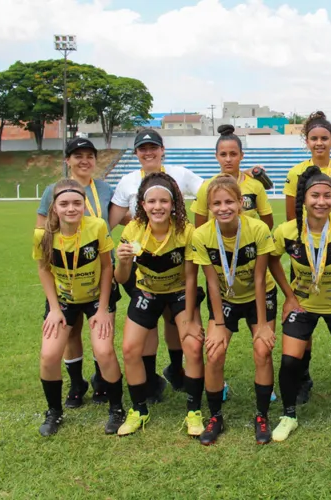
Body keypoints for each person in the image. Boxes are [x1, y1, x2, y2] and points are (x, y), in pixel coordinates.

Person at [269, 166, 331, 443]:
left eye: (328, 196)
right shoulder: (288, 230)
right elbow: (273, 259)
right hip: (303, 304)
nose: (321, 201)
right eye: (315, 195)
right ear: (304, 198)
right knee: (290, 362)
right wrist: (289, 296)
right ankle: (289, 415)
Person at [109, 129, 205, 401]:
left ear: (163, 149)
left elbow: (209, 192)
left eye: (153, 147)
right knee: (146, 323)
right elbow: (111, 220)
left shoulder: (181, 174)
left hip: (175, 263)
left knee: (175, 322)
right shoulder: (127, 181)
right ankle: (149, 382)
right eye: (142, 148)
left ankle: (177, 371)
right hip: (142, 262)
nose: (148, 152)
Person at [32, 179, 125, 436]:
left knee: (104, 351)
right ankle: (54, 412)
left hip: (97, 296)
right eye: (64, 203)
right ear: (54, 208)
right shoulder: (43, 235)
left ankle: (117, 409)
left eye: (77, 203)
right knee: (49, 355)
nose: (71, 208)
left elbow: (108, 267)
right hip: (63, 299)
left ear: (84, 204)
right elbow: (43, 270)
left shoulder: (96, 226)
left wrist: (104, 308)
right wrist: (53, 308)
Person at [192, 175, 278, 445]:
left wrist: (263, 324)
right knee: (214, 354)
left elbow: (260, 278)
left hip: (259, 297)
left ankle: (262, 416)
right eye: (216, 203)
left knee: (263, 350)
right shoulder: (202, 234)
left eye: (229, 201)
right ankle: (215, 416)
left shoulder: (258, 229)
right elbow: (211, 282)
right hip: (225, 299)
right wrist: (218, 324)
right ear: (209, 206)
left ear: (241, 202)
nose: (223, 208)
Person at [282, 111, 331, 404]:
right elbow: (291, 217)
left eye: (324, 138)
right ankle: (302, 378)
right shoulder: (296, 172)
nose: (319, 143)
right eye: (314, 138)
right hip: (306, 253)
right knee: (304, 312)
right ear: (307, 141)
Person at [35, 138, 115, 408]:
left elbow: (118, 216)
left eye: (89, 156)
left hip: (98, 263)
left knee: (99, 330)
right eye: (77, 155)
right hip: (67, 271)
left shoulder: (104, 188)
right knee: (71, 332)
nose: (84, 160)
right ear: (67, 160)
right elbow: (43, 232)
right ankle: (76, 384)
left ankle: (101, 381)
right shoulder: (53, 190)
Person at [192, 124, 274, 229]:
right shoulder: (206, 187)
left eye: (233, 154)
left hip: (248, 243)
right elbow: (200, 228)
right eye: (223, 154)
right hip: (216, 244)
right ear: (216, 156)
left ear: (241, 155)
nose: (228, 159)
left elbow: (267, 224)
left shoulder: (255, 186)